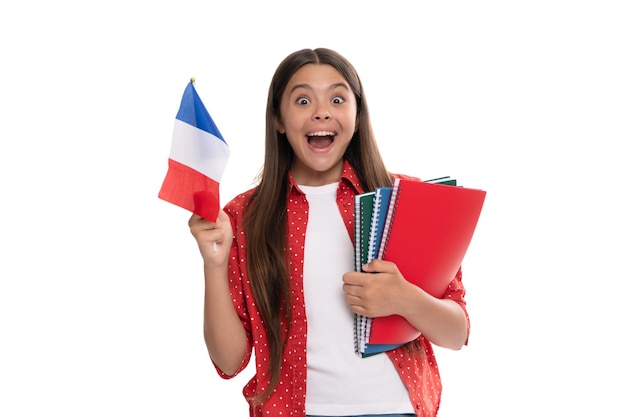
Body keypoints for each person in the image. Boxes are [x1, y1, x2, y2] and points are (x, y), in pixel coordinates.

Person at [188, 48, 470, 417]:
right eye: (303, 99)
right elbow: (229, 362)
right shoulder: (243, 217)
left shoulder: (407, 201)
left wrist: (404, 299)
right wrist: (214, 264)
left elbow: (456, 333)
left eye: (337, 98)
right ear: (278, 119)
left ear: (357, 113)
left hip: (398, 409)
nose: (321, 111)